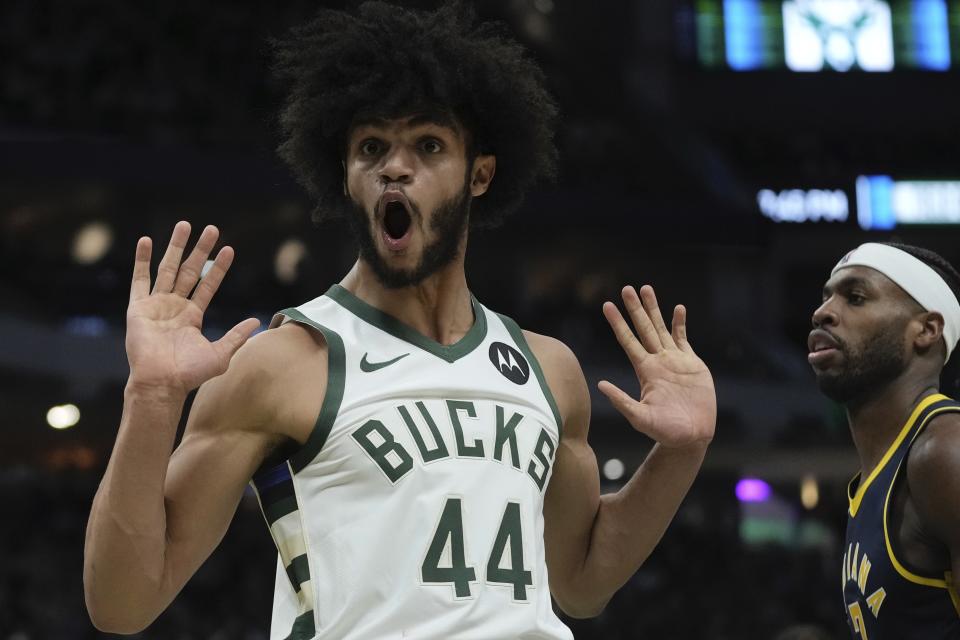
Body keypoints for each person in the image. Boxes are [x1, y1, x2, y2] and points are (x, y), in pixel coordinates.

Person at [83, 3, 717, 638]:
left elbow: (581, 584)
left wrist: (680, 454)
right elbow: (123, 604)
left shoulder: (548, 369)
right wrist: (151, 396)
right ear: (347, 178)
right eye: (371, 148)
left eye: (429, 145)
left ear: (481, 174)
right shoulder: (285, 362)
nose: (394, 165)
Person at [809, 242, 960, 639]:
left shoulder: (945, 452)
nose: (822, 312)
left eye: (855, 298)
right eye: (826, 297)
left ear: (926, 330)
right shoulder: (878, 474)